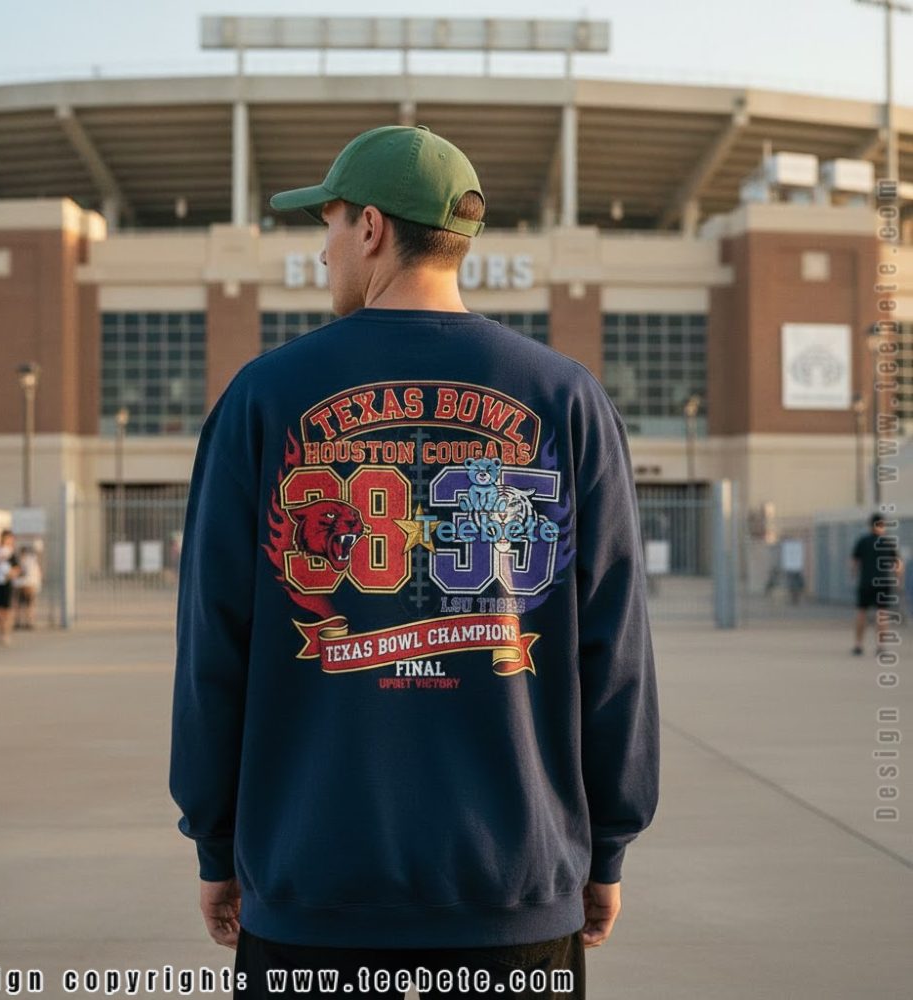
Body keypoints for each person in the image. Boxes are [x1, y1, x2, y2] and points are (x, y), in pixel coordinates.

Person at [170, 125, 660, 999]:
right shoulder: (566, 397)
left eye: (324, 225)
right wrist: (605, 846)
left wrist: (216, 842)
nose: (320, 251)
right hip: (515, 899)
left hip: (311, 897)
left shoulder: (263, 396)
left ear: (370, 229)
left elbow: (215, 645)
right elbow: (614, 650)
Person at [851, 513, 904, 656]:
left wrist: (853, 576)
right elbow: (898, 563)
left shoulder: (862, 541)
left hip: (866, 582)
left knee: (862, 612)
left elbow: (854, 562)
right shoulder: (888, 542)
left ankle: (858, 645)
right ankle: (880, 647)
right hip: (883, 582)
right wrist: (899, 580)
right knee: (882, 614)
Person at [12, 544, 42, 630]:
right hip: (30, 585)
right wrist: (38, 586)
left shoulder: (18, 560)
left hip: (19, 585)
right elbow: (38, 573)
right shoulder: (33, 561)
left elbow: (16, 572)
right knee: (29, 605)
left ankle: (18, 622)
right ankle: (29, 622)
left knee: (19, 605)